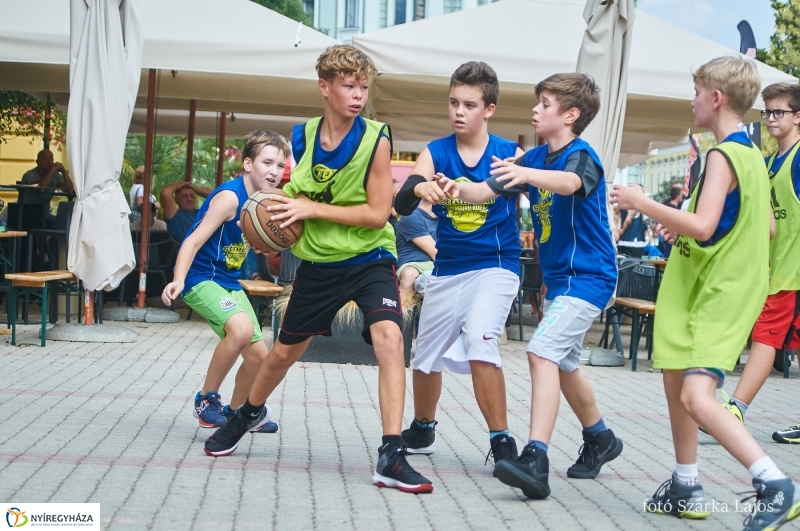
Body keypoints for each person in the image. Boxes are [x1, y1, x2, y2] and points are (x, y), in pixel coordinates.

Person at [203, 45, 433, 494]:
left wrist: (311, 208)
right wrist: (272, 217)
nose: (358, 95)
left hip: (369, 258)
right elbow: (298, 194)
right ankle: (245, 414)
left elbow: (378, 214)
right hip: (319, 263)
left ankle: (391, 453)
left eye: (363, 87)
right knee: (283, 354)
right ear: (324, 87)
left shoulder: (376, 139)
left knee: (391, 339)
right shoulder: (303, 136)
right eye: (349, 86)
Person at [611, 56, 799, 530]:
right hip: (712, 285)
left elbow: (703, 224)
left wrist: (642, 202)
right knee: (676, 383)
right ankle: (685, 484)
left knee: (697, 397)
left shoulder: (721, 156)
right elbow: (762, 227)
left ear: (716, 98)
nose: (691, 100)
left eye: (696, 92)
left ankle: (776, 483)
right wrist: (687, 229)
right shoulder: (752, 156)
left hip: (715, 290)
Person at [436, 72, 622, 499]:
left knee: (540, 352)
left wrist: (525, 173)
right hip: (560, 281)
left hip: (590, 277)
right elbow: (481, 192)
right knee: (565, 363)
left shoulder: (580, 156)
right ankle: (600, 437)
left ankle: (536, 458)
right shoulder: (535, 158)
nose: (535, 110)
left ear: (570, 115)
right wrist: (452, 188)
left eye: (545, 104)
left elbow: (570, 184)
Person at [392, 61, 523, 473]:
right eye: (453, 103)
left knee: (481, 339)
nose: (459, 112)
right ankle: (423, 428)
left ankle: (502, 442)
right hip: (447, 268)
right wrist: (421, 186)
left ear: (489, 109)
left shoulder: (509, 154)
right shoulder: (436, 151)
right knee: (425, 357)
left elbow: (544, 201)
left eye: (469, 104)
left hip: (495, 266)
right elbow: (402, 201)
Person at [162, 130, 288, 432]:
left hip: (229, 281)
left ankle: (238, 414)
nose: (274, 171)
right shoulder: (230, 197)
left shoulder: (265, 201)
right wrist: (178, 279)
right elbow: (192, 241)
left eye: (280, 165)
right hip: (200, 278)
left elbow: (255, 244)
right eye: (267, 163)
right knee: (241, 330)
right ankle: (206, 399)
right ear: (247, 164)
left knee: (259, 359)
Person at [702, 82, 800, 447]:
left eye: (779, 112)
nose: (771, 118)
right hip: (776, 269)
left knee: (765, 337)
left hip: (791, 271)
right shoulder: (769, 162)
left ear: (798, 117)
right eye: (767, 111)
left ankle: (736, 408)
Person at [394, 199, 437, 304]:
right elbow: (435, 253)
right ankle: (403, 311)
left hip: (435, 263)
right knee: (409, 274)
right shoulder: (411, 217)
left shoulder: (447, 220)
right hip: (415, 263)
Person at [20, 149, 75, 228]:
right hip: (28, 213)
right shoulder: (29, 175)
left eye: (51, 158)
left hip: (45, 213)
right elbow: (41, 188)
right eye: (45, 158)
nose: (49, 161)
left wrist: (64, 172)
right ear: (37, 162)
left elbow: (70, 191)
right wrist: (51, 170)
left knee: (65, 225)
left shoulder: (56, 176)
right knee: (58, 225)